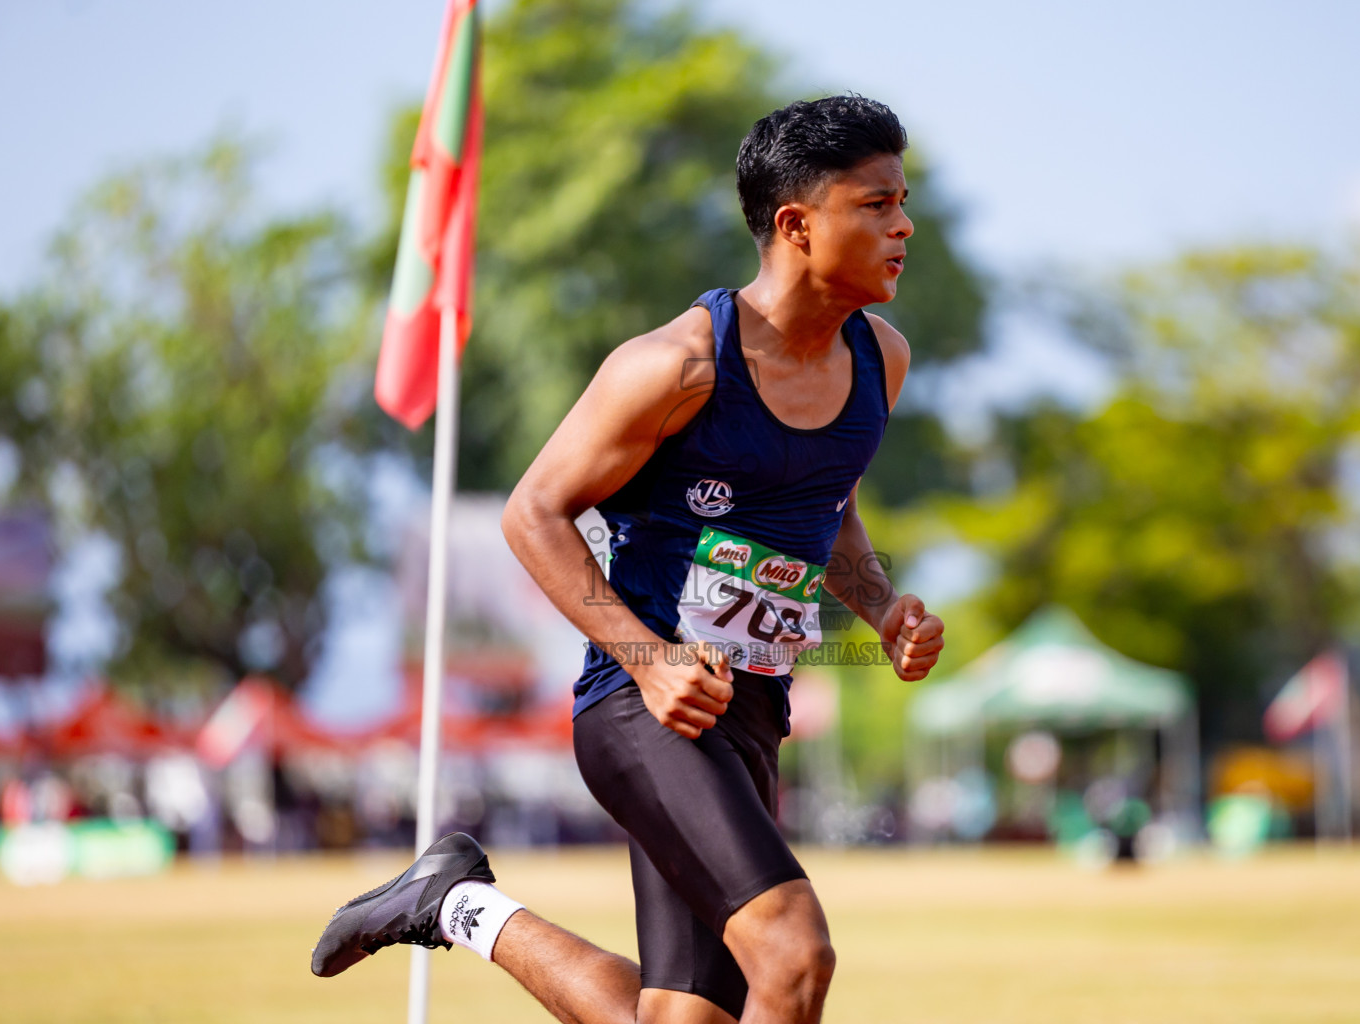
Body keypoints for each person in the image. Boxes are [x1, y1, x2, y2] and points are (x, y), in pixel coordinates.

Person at [312, 94, 946, 1024]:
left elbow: (831, 512)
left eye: (903, 203)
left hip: (751, 711)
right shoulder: (677, 364)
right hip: (642, 709)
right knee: (794, 955)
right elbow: (534, 513)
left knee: (684, 1018)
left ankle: (456, 905)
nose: (904, 226)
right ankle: (454, 899)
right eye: (877, 204)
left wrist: (883, 607)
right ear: (796, 225)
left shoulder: (880, 359)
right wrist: (649, 662)